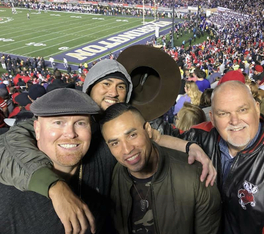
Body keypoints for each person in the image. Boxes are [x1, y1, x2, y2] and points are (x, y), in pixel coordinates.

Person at [0, 46, 216, 234]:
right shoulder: (61, 113)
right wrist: (55, 187)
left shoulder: (111, 138)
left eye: (121, 87)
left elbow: (153, 137)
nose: (113, 92)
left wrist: (190, 146)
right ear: (89, 89)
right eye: (106, 84)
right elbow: (12, 143)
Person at [155, 80, 264, 234]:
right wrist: (188, 146)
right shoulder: (202, 136)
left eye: (243, 110)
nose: (235, 121)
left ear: (257, 109)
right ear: (212, 118)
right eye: (223, 113)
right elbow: (155, 136)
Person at [0, 88, 115, 233]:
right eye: (58, 122)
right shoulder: (6, 198)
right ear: (37, 129)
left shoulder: (103, 158)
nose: (71, 134)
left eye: (80, 123)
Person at [100, 103, 221, 234]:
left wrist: (190, 146)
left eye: (132, 135)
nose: (127, 149)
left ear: (147, 129)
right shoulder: (114, 174)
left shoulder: (196, 178)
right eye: (115, 143)